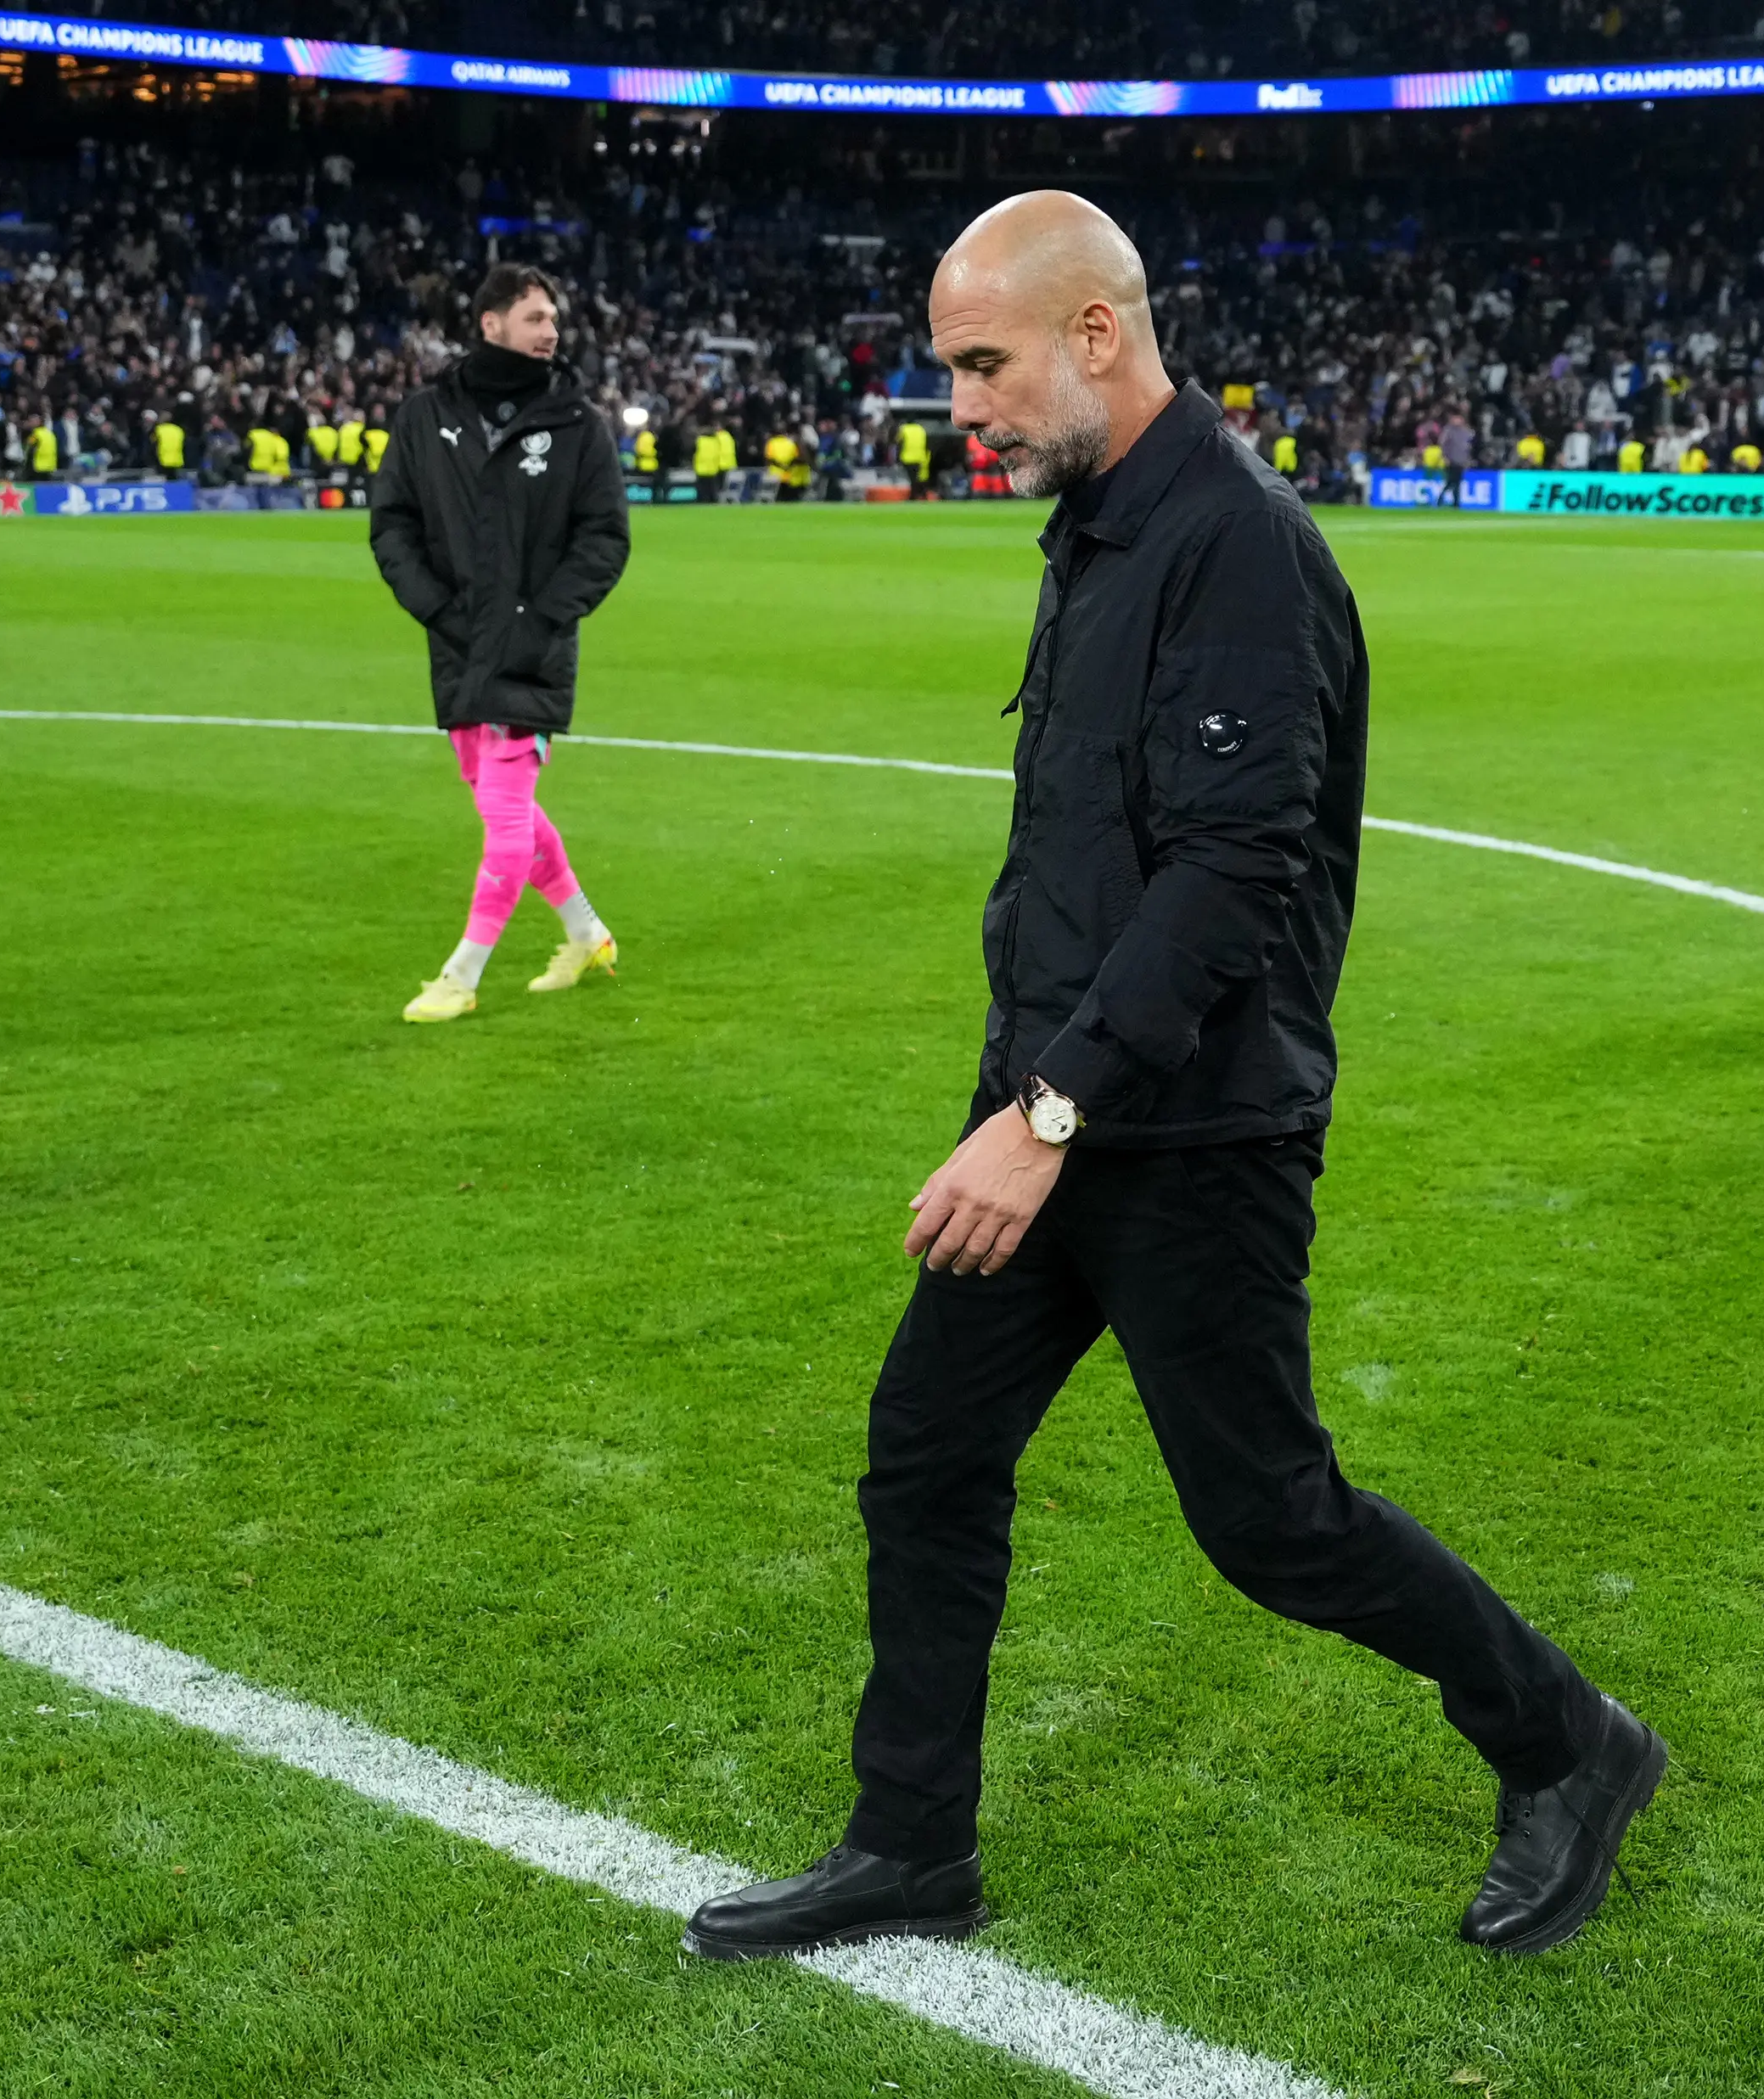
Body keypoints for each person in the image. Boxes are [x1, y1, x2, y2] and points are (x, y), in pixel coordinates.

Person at [683, 191, 1660, 1967]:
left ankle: (1570, 1742)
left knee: (1267, 1519)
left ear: (1093, 336)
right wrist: (1025, 1094)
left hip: (1188, 1128)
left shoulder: (1233, 544)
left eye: (977, 365)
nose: (954, 406)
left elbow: (1231, 873)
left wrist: (1041, 1118)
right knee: (924, 1453)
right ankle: (909, 1847)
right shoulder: (1100, 528)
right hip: (1058, 1106)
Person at [368, 261, 632, 1024]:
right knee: (500, 806)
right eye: (535, 317)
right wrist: (437, 610)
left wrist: (541, 619)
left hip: (532, 651)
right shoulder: (427, 415)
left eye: (553, 319)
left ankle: (462, 973)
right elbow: (392, 523)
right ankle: (586, 933)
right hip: (457, 646)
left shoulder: (576, 425)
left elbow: (605, 538)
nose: (551, 331)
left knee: (507, 821)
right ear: (491, 325)